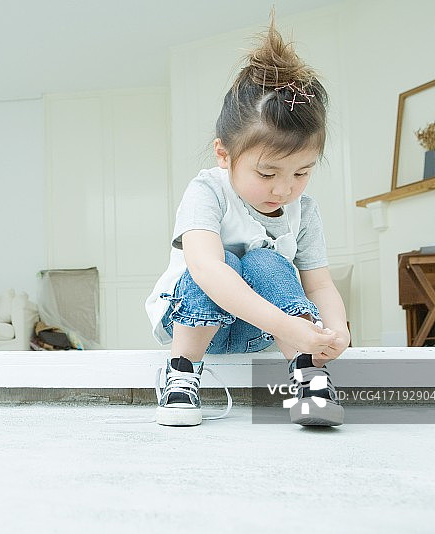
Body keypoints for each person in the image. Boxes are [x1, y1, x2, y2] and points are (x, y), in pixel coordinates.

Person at [145, 19, 350, 427]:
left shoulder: (304, 210)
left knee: (268, 263)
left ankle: (309, 374)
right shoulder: (207, 192)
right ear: (224, 155)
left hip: (259, 331)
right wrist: (289, 325)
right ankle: (182, 373)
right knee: (227, 264)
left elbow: (320, 283)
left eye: (302, 172)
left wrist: (336, 332)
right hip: (194, 322)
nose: (284, 190)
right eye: (268, 173)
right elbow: (206, 269)